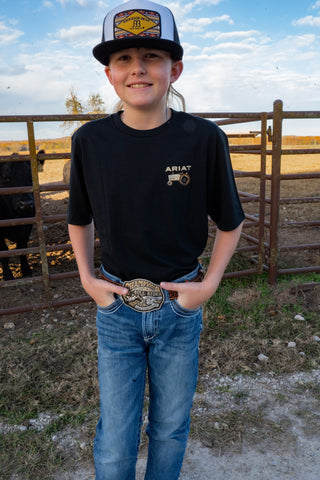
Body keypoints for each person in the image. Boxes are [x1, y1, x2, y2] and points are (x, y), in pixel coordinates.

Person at [67, 1, 245, 479]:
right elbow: (78, 219)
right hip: (116, 306)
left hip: (179, 307)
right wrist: (87, 279)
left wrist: (205, 287)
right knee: (117, 436)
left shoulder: (202, 138)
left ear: (175, 69)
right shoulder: (90, 141)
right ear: (109, 74)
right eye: (124, 58)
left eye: (152, 56)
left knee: (170, 426)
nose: (138, 68)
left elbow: (231, 222)